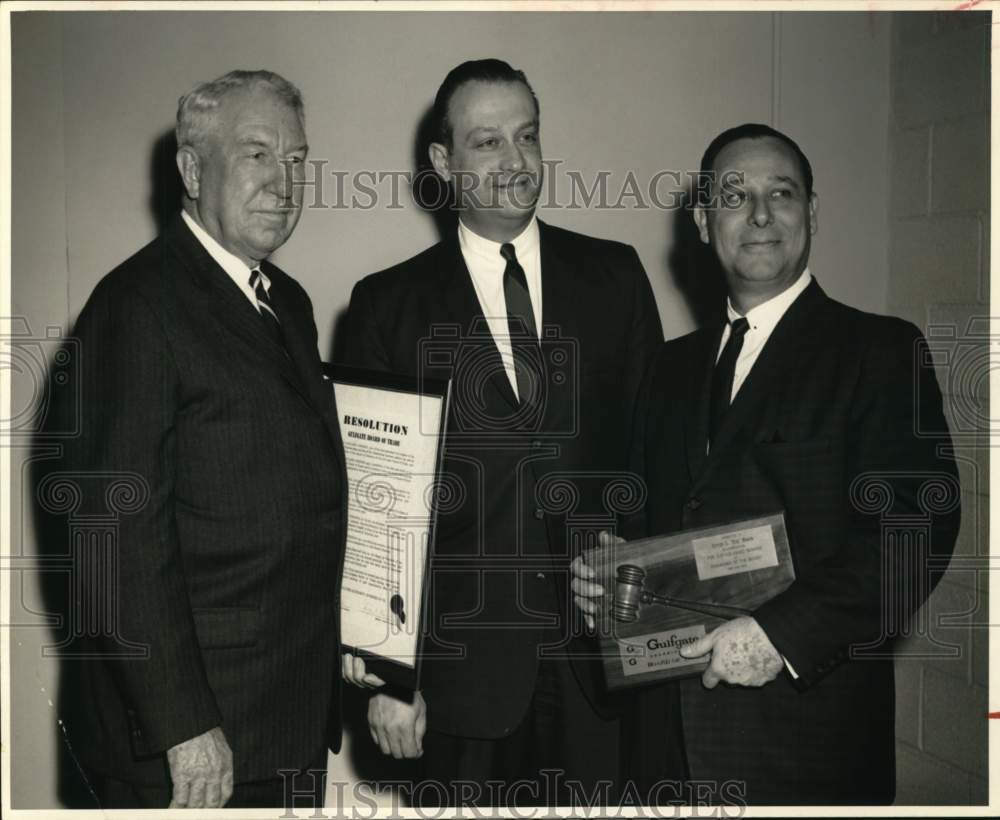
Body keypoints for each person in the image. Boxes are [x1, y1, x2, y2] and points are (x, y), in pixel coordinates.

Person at [572, 123, 960, 805]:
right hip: (664, 753)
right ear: (702, 221)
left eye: (780, 193)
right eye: (734, 195)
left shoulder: (879, 351)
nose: (758, 214)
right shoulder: (668, 368)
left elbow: (911, 536)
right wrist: (606, 579)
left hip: (803, 749)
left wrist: (778, 635)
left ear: (810, 213)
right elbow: (644, 528)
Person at [339, 59, 663, 807]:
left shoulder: (616, 276)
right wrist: (389, 677)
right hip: (459, 683)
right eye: (487, 142)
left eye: (527, 136)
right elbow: (372, 506)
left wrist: (641, 564)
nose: (514, 161)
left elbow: (654, 453)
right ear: (444, 163)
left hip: (601, 666)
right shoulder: (387, 305)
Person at [60, 70, 347, 809]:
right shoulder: (136, 306)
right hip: (193, 745)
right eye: (257, 154)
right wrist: (185, 727)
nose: (285, 182)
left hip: (280, 720)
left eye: (298, 159)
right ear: (192, 169)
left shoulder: (287, 302)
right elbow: (111, 536)